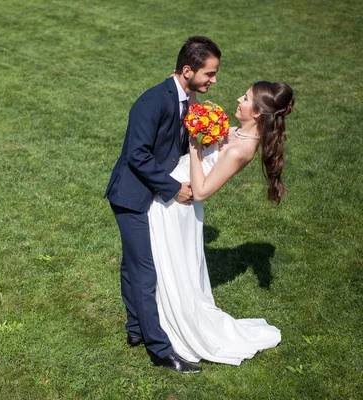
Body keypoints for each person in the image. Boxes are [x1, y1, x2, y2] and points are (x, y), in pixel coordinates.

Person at [148, 81, 295, 365]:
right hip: (172, 190)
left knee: (172, 265)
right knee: (165, 262)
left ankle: (174, 327)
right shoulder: (237, 132)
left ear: (257, 113)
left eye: (246, 98)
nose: (239, 99)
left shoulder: (243, 150)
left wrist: (194, 145)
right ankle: (157, 320)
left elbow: (202, 190)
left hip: (180, 202)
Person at [104, 36, 221, 374]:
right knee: (145, 272)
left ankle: (136, 330)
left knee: (131, 265)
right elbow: (137, 155)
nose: (213, 80)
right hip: (131, 197)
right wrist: (174, 189)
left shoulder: (186, 98)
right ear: (188, 70)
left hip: (148, 192)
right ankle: (160, 349)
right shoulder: (152, 102)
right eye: (209, 74)